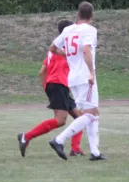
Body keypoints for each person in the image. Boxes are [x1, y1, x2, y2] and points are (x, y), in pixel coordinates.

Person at [48, 2, 106, 161]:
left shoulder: (68, 29)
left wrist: (66, 54)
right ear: (92, 15)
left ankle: (95, 152)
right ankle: (59, 140)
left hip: (73, 77)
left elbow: (52, 48)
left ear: (77, 14)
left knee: (93, 113)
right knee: (90, 114)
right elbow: (86, 50)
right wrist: (92, 73)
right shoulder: (90, 30)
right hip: (84, 77)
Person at [17, 20, 84, 157]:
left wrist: (47, 89)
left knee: (80, 117)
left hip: (57, 86)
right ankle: (26, 136)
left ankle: (75, 148)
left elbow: (42, 72)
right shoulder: (67, 47)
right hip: (59, 85)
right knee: (60, 120)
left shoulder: (52, 50)